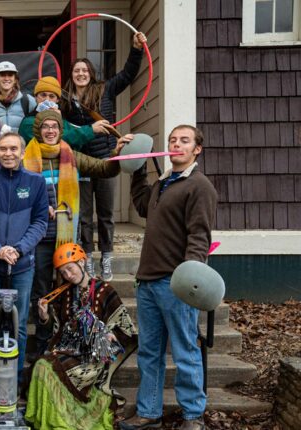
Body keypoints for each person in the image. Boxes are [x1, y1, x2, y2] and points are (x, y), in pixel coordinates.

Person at [120, 126, 217, 430]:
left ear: (196, 149)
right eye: (173, 140)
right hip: (147, 281)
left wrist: (190, 278)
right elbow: (140, 206)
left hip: (176, 283)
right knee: (149, 352)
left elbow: (199, 236)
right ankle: (149, 411)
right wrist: (136, 166)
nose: (176, 144)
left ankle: (193, 416)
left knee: (186, 351)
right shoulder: (163, 183)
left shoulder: (198, 186)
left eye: (184, 141)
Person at [22, 110, 125, 356]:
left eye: (54, 127)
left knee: (67, 289)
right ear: (38, 130)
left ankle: (64, 338)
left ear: (60, 130)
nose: (50, 131)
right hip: (37, 237)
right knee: (41, 291)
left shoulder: (72, 155)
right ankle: (43, 342)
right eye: (45, 127)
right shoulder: (25, 157)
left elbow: (105, 169)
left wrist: (117, 153)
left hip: (66, 237)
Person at [61, 32, 147, 281]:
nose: (80, 74)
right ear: (72, 75)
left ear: (91, 73)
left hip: (107, 160)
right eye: (76, 71)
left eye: (84, 70)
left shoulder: (105, 89)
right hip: (82, 163)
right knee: (85, 216)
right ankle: (87, 258)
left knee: (106, 214)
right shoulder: (65, 99)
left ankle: (106, 258)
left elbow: (128, 74)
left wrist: (136, 49)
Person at [25, 242, 138, 430]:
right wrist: (44, 316)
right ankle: (54, 420)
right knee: (41, 365)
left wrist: (109, 334)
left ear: (82, 262)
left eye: (70, 269)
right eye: (63, 272)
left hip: (93, 356)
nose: (68, 275)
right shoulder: (66, 293)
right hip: (69, 350)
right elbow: (59, 329)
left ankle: (66, 420)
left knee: (47, 366)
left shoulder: (105, 290)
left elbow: (126, 329)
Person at [0, 133, 49, 379]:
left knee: (19, 325)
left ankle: (14, 378)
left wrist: (18, 249)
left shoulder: (37, 182)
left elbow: (40, 222)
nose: (8, 153)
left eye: (13, 149)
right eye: (4, 149)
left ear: (22, 152)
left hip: (22, 265)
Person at [18, 76, 111, 149]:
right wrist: (91, 130)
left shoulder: (63, 120)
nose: (47, 100)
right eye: (43, 95)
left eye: (51, 96)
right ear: (35, 97)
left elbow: (76, 144)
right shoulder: (28, 122)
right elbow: (61, 138)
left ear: (57, 100)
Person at [0, 61, 36, 132]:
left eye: (10, 75)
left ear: (15, 79)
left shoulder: (27, 100)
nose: (6, 78)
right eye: (2, 75)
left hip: (22, 143)